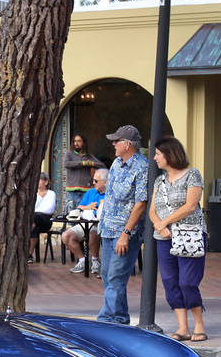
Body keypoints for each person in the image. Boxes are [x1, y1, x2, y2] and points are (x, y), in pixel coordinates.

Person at [149, 137, 208, 341]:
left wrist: (164, 222)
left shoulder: (193, 175)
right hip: (163, 237)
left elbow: (191, 206)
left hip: (189, 235)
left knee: (188, 282)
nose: (155, 157)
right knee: (170, 282)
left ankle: (199, 324)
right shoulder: (160, 180)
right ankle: (183, 328)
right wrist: (159, 224)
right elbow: (152, 210)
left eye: (158, 154)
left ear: (170, 154)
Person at [97, 125, 149, 325]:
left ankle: (106, 320)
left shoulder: (142, 168)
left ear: (127, 144)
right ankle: (120, 318)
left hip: (125, 232)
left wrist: (126, 233)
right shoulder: (117, 163)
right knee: (107, 275)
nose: (113, 144)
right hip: (108, 229)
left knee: (116, 277)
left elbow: (141, 203)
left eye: (117, 141)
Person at [62, 168, 107, 275]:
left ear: (105, 182)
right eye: (93, 180)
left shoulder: (111, 194)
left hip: (101, 225)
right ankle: (83, 260)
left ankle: (95, 260)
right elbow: (80, 207)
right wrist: (89, 207)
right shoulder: (90, 192)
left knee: (93, 233)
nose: (93, 183)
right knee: (66, 236)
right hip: (85, 222)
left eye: (96, 181)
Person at [64, 133, 104, 209]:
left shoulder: (89, 156)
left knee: (85, 214)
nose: (76, 143)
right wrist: (82, 163)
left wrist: (92, 163)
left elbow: (102, 166)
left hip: (85, 191)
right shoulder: (69, 154)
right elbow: (66, 164)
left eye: (79, 141)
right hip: (72, 191)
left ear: (84, 143)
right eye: (75, 141)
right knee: (71, 215)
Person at [29, 172, 56, 263]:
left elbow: (49, 209)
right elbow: (30, 208)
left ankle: (27, 231)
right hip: (34, 220)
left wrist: (37, 209)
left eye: (40, 180)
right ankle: (29, 254)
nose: (37, 182)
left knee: (37, 216)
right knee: (35, 228)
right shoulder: (32, 193)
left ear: (46, 182)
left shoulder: (51, 193)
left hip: (46, 220)